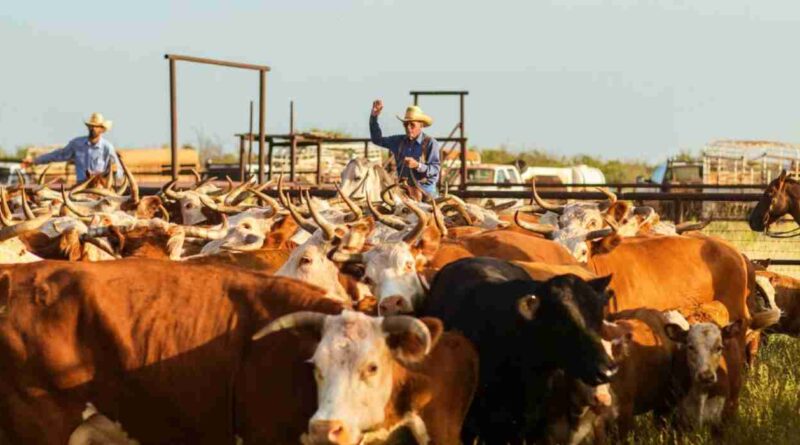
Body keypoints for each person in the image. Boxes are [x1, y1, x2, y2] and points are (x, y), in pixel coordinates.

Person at [370, 100, 441, 198]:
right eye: (405, 124)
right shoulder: (398, 141)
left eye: (412, 124)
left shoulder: (430, 143)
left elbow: (435, 169)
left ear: (421, 125)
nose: (408, 127)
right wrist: (374, 116)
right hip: (404, 189)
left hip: (425, 190)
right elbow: (377, 139)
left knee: (433, 211)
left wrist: (418, 166)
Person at [23, 112, 123, 182]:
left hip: (100, 188)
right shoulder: (77, 144)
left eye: (96, 126)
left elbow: (119, 170)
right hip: (80, 187)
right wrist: (35, 160)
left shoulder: (107, 147)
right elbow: (58, 154)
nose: (93, 128)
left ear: (102, 129)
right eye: (91, 125)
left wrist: (105, 177)